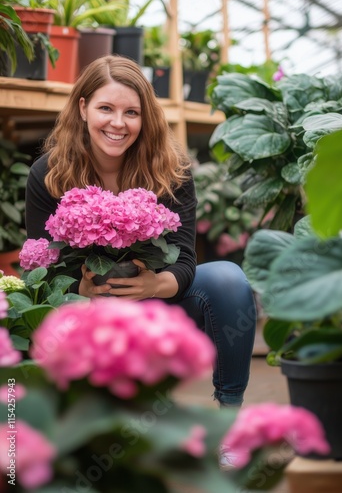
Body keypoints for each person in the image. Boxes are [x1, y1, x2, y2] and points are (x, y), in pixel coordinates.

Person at [25, 55, 256, 413]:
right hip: (89, 307)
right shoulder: (49, 173)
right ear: (83, 108)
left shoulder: (170, 169)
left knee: (228, 279)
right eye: (106, 108)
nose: (118, 123)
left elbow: (183, 256)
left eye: (131, 112)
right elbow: (42, 265)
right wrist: (80, 289)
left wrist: (153, 286)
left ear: (145, 117)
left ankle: (230, 416)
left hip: (158, 298)